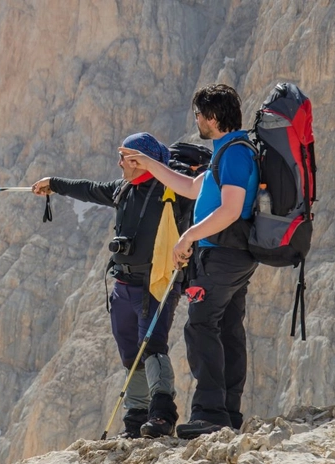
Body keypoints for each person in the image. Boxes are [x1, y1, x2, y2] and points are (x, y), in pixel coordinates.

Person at [119, 84, 259, 439]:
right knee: (226, 328)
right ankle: (226, 413)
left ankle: (211, 413)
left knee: (200, 326)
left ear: (212, 117)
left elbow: (230, 209)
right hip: (226, 255)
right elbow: (191, 187)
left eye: (199, 114)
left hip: (223, 255)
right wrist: (149, 162)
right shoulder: (224, 152)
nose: (196, 120)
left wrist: (188, 236)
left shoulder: (236, 154)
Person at [32, 132, 193, 439]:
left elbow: (199, 190)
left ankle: (162, 415)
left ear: (139, 160)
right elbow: (88, 189)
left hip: (154, 283)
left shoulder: (169, 189)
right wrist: (53, 182)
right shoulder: (123, 190)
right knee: (130, 353)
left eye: (124, 156)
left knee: (153, 347)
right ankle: (135, 420)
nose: (119, 162)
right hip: (124, 284)